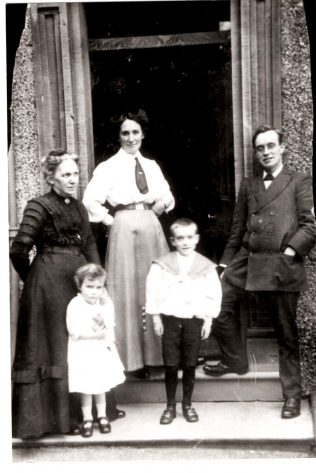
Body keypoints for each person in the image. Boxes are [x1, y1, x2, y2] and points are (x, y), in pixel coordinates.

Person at [202, 125, 316, 419]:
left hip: (279, 263)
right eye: (260, 148)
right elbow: (237, 228)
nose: (265, 152)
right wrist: (225, 265)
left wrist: (291, 251)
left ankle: (291, 394)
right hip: (247, 259)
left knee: (286, 334)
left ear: (282, 148)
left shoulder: (299, 181)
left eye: (270, 146)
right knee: (216, 304)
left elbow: (310, 225)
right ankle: (236, 360)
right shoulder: (248, 185)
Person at [9, 149, 123, 439]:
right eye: (66, 175)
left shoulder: (79, 207)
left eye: (75, 174)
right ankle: (57, 420)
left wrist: (99, 278)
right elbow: (19, 248)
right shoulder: (38, 205)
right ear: (51, 177)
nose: (73, 180)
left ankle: (90, 412)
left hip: (80, 286)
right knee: (56, 345)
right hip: (47, 287)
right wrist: (34, 279)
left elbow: (89, 246)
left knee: (82, 346)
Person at [83, 108, 175, 377]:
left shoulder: (152, 166)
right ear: (119, 137)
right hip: (123, 224)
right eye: (125, 133)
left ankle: (156, 357)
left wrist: (159, 206)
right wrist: (112, 220)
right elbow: (90, 201)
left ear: (143, 134)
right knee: (127, 290)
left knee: (154, 286)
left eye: (135, 132)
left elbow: (168, 195)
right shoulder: (108, 167)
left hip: (150, 224)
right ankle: (131, 360)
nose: (131, 137)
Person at [145, 218, 222, 424]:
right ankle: (170, 406)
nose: (185, 242)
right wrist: (155, 318)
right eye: (180, 238)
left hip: (193, 321)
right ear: (173, 241)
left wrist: (208, 320)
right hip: (170, 320)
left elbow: (213, 294)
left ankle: (187, 404)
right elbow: (152, 290)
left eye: (189, 237)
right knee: (171, 364)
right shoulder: (162, 265)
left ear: (196, 239)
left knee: (189, 364)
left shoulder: (205, 266)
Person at [66, 263, 125, 438]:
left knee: (100, 384)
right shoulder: (75, 304)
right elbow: (73, 330)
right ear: (80, 286)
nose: (94, 291)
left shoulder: (105, 303)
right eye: (89, 287)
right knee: (86, 386)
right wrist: (93, 336)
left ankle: (102, 416)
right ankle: (87, 418)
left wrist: (106, 335)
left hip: (100, 351)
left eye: (98, 287)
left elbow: (110, 324)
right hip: (83, 351)